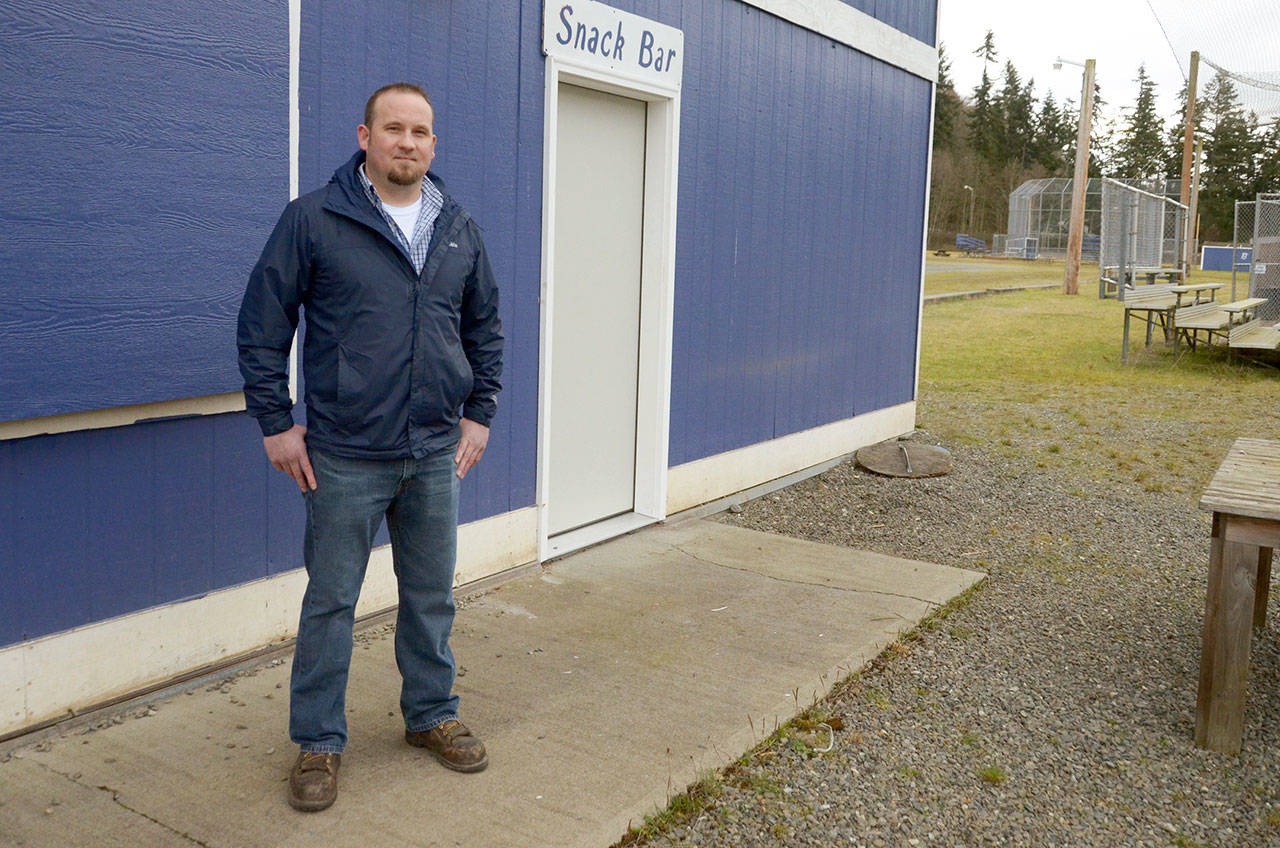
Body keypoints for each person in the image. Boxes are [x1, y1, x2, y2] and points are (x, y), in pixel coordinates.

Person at [237, 82, 503, 812]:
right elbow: (264, 322)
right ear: (365, 137)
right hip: (346, 455)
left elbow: (483, 329)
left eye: (420, 131)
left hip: (434, 453)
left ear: (433, 144)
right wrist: (274, 419)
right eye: (394, 129)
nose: (407, 142)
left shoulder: (458, 229)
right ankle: (318, 741)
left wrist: (479, 413)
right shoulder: (316, 219)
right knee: (330, 602)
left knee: (430, 596)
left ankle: (432, 714)